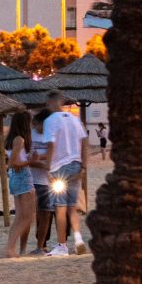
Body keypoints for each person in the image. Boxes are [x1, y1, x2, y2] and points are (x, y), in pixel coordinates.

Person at [45, 91, 89, 256]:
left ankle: (62, 245)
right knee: (72, 207)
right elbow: (84, 142)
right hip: (76, 165)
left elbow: (51, 145)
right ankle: (78, 239)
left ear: (52, 102)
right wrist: (84, 167)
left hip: (59, 167)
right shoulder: (74, 119)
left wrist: (47, 169)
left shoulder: (51, 121)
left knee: (60, 208)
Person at [3, 112, 37, 257]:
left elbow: (14, 161)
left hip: (16, 178)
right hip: (23, 177)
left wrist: (26, 160)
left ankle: (10, 248)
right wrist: (31, 161)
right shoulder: (20, 140)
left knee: (20, 217)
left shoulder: (12, 139)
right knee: (27, 217)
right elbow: (12, 163)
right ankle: (10, 248)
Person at [28, 108, 56, 255]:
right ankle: (33, 244)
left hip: (46, 180)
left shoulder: (50, 137)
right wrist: (42, 160)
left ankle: (41, 245)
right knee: (32, 214)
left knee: (46, 213)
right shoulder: (30, 136)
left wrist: (40, 159)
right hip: (31, 179)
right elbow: (27, 158)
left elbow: (53, 156)